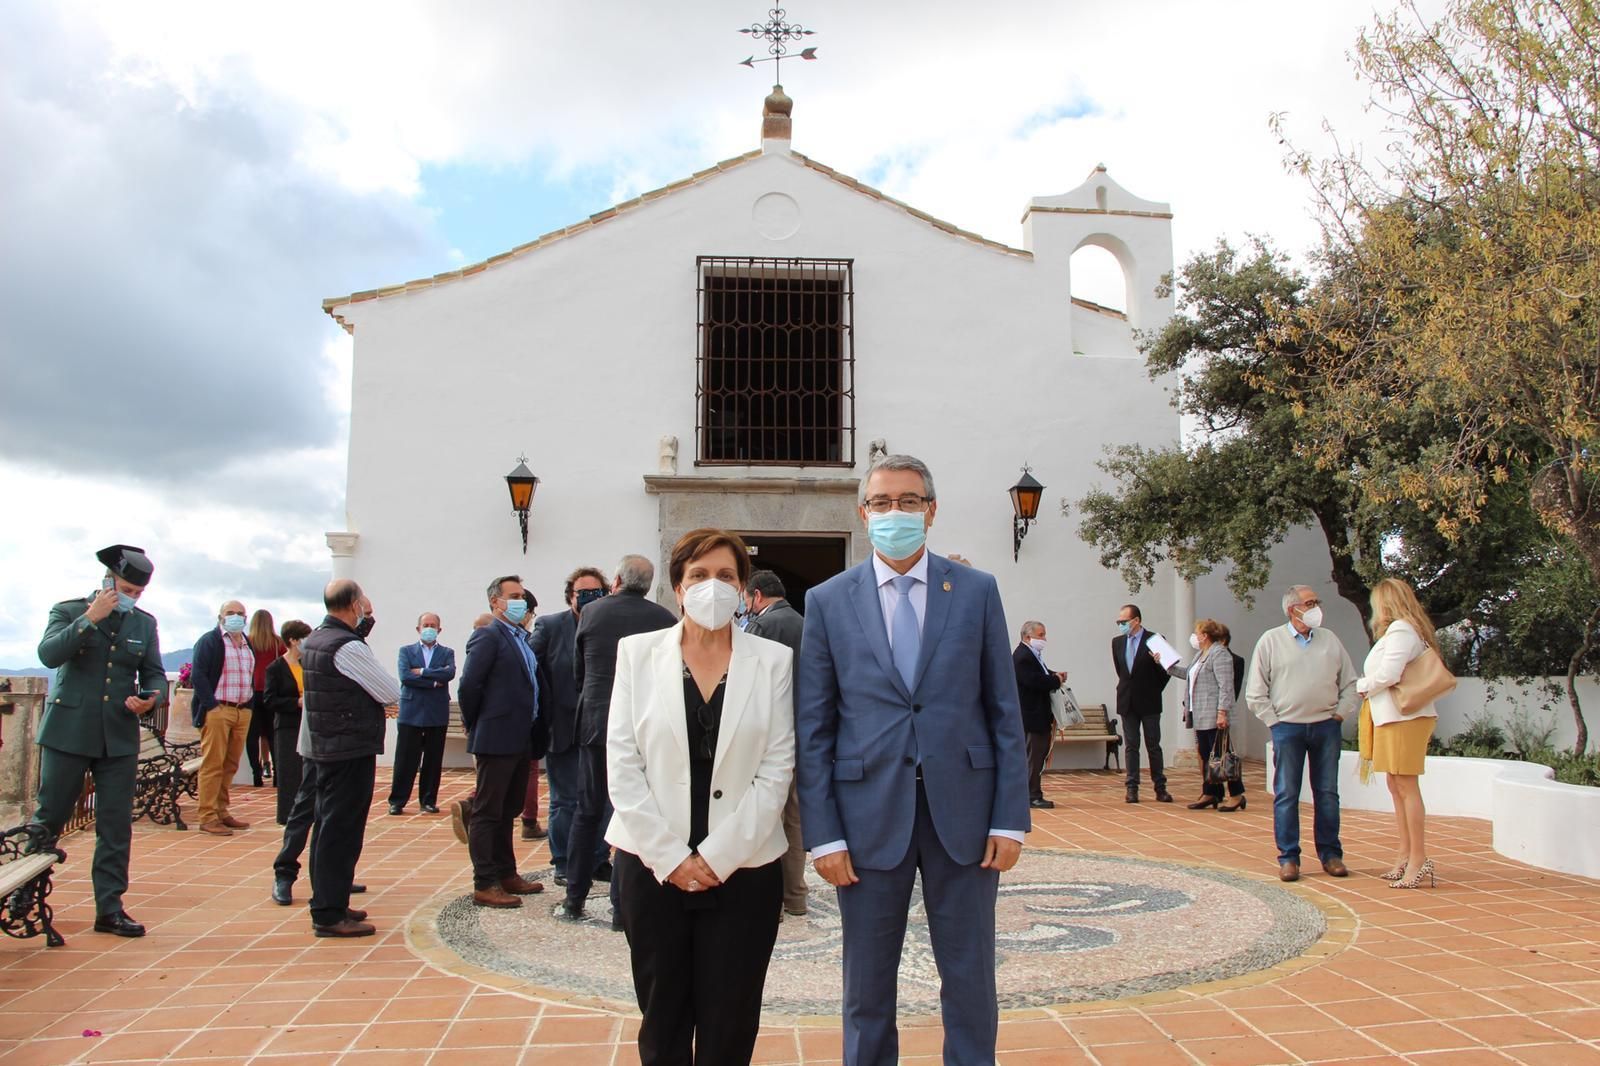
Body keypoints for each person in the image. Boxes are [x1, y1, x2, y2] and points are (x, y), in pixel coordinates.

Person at [796, 454, 1030, 1065]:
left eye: (907, 500)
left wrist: (1010, 818)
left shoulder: (976, 590)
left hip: (968, 817)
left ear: (930, 510)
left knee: (971, 976)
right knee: (867, 984)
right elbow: (815, 726)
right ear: (862, 512)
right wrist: (823, 836)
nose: (893, 513)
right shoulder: (827, 600)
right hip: (866, 817)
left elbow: (1004, 711)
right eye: (881, 503)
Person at [608, 529, 795, 1065]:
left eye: (726, 576)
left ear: (742, 589)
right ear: (676, 586)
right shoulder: (637, 655)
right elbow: (622, 764)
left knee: (730, 1022)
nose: (712, 586)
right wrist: (671, 858)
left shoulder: (772, 661)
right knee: (662, 1017)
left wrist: (715, 857)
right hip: (650, 865)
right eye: (698, 575)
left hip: (744, 867)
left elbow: (777, 766)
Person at [31, 544, 166, 937]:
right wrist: (91, 618)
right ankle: (25, 895)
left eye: (138, 593)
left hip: (118, 736)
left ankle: (110, 908)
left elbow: (155, 673)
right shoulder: (70, 611)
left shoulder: (144, 624)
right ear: (108, 581)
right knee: (49, 818)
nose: (132, 597)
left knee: (115, 825)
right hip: (68, 733)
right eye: (127, 588)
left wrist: (151, 698)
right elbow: (48, 655)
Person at [559, 554, 677, 924]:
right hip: (643, 725)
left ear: (616, 580)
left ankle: (573, 899)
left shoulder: (593, 614)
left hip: (596, 722)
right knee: (634, 812)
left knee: (588, 810)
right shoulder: (663, 618)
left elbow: (580, 670)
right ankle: (621, 908)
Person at [301, 582, 399, 936]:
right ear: (355, 604)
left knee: (328, 827)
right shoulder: (346, 646)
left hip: (327, 745)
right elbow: (389, 690)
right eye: (363, 607)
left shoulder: (316, 639)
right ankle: (328, 913)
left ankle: (332, 900)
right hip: (348, 747)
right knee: (341, 830)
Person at [1246, 584, 1358, 882]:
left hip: (1325, 726)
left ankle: (1331, 855)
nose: (1315, 607)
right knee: (1286, 795)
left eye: (1316, 602)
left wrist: (1339, 714)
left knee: (1327, 794)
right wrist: (1275, 722)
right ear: (1292, 609)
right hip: (1288, 728)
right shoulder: (1270, 641)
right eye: (1309, 603)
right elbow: (1255, 692)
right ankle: (1289, 858)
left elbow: (1350, 682)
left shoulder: (1330, 640)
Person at [458, 576, 550, 908]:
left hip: (521, 736)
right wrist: (477, 724)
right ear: (495, 602)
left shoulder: (519, 638)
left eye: (522, 596)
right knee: (487, 811)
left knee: (508, 808)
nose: (520, 602)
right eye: (513, 596)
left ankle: (506, 872)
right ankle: (485, 881)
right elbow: (469, 686)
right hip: (496, 736)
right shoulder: (488, 636)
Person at [1357, 578, 1442, 890]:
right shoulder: (1398, 633)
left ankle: (1418, 858)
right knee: (1396, 784)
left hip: (1405, 718)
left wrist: (1362, 685)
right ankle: (1406, 853)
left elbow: (1389, 674)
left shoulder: (1402, 632)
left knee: (1406, 785)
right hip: (1393, 717)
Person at [531, 566, 610, 887]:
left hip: (600, 728)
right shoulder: (549, 626)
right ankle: (563, 860)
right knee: (565, 800)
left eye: (596, 592)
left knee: (603, 799)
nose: (589, 598)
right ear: (570, 595)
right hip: (562, 728)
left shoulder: (608, 626)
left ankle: (597, 858)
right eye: (582, 592)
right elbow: (532, 670)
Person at [742, 568, 809, 917]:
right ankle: (796, 895)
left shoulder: (763, 626)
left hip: (768, 735)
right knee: (795, 819)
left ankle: (771, 901)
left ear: (756, 595)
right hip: (801, 733)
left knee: (767, 816)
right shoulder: (804, 622)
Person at [1161, 618, 1242, 810]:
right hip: (1200, 714)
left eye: (1197, 633)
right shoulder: (1200, 655)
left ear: (1205, 636)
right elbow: (1188, 674)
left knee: (1223, 755)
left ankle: (1237, 794)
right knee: (1206, 754)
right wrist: (1165, 664)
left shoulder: (1219, 654)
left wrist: (1222, 712)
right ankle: (1211, 792)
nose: (1195, 637)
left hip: (1214, 714)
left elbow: (1226, 686)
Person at [189, 599, 255, 835]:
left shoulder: (247, 644)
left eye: (240, 613)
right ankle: (207, 815)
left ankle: (221, 810)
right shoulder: (210, 641)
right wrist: (212, 706)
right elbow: (198, 675)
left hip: (242, 709)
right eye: (230, 612)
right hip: (219, 709)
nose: (235, 616)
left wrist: (249, 707)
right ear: (221, 617)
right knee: (213, 764)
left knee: (230, 764)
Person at [388, 612, 455, 815]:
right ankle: (397, 801)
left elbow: (449, 673)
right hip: (411, 711)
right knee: (406, 759)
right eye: (425, 624)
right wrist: (435, 681)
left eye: (433, 625)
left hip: (436, 712)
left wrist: (424, 672)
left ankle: (428, 800)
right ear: (418, 628)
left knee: (433, 760)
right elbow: (406, 677)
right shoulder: (406, 651)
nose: (429, 628)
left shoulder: (447, 652)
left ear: (439, 629)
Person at [1112, 603, 1173, 803]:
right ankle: (1132, 787)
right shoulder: (1117, 642)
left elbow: (1166, 672)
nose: (1121, 625)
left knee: (1153, 744)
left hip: (1149, 700)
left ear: (1136, 620)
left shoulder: (1154, 640)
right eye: (1119, 622)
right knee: (1131, 745)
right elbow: (1122, 672)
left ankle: (1160, 787)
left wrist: (1156, 669)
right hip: (1127, 700)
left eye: (1124, 621)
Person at [1013, 620, 1067, 810]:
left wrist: (1054, 675)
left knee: (1038, 755)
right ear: (1028, 637)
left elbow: (1042, 674)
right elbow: (1034, 681)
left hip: (1039, 716)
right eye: (1041, 635)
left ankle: (1034, 792)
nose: (1044, 638)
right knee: (1033, 757)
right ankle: (1032, 795)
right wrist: (1054, 680)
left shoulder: (1034, 656)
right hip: (1031, 716)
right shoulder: (1022, 656)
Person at [263, 620, 312, 826]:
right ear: (292, 640)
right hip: (287, 725)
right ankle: (288, 815)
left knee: (308, 771)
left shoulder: (308, 664)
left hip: (308, 723)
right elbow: (269, 699)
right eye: (304, 637)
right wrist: (296, 702)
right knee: (289, 771)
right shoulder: (275, 668)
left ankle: (308, 812)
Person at [516, 589, 547, 841]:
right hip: (518, 720)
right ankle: (528, 820)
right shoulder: (498, 638)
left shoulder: (523, 639)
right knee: (527, 771)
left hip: (527, 717)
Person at [245, 609, 284, 788]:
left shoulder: (247, 641)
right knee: (273, 734)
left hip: (251, 692)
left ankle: (256, 773)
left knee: (251, 736)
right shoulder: (277, 643)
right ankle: (277, 775)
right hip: (272, 691)